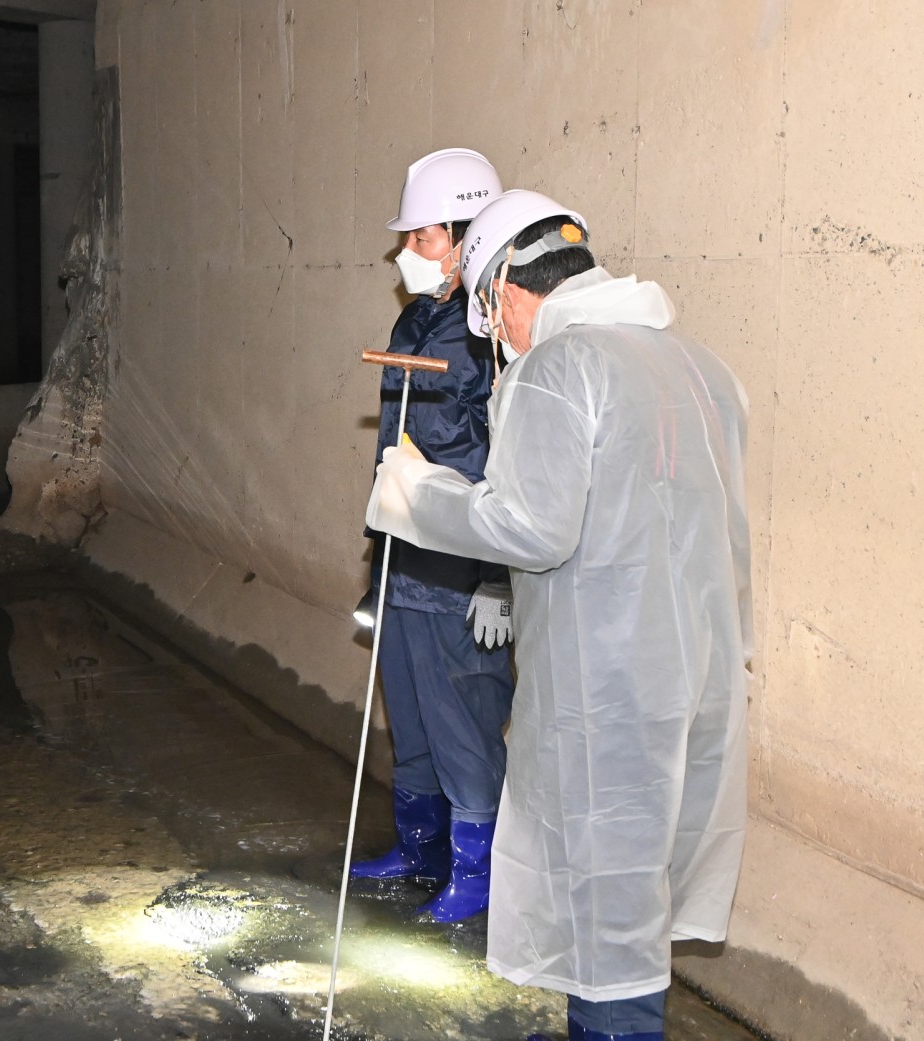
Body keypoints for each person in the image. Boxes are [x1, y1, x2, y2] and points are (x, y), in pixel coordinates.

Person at [366, 188, 753, 1041]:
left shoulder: (558, 367)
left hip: (602, 691)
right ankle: (598, 1026)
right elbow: (725, 538)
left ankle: (610, 1032)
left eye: (490, 316)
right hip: (695, 676)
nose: (497, 337)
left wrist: (417, 492)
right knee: (631, 887)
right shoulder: (699, 367)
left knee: (602, 893)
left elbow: (528, 528)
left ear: (508, 288)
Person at [348, 147, 516, 926]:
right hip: (404, 560)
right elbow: (396, 450)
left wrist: (498, 577)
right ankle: (420, 849)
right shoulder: (414, 320)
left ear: (463, 238)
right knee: (412, 718)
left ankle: (477, 873)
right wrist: (376, 562)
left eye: (419, 238)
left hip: (459, 572)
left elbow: (509, 460)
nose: (405, 254)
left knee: (464, 724)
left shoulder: (492, 336)